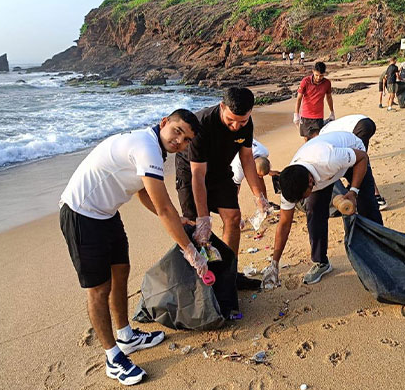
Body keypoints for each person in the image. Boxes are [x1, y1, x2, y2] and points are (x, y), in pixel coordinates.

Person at [59, 109, 204, 385]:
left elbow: (142, 191)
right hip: (81, 215)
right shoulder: (146, 148)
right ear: (164, 123)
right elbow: (163, 209)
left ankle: (125, 336)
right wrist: (191, 253)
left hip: (106, 214)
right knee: (99, 289)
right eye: (177, 131)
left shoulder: (153, 148)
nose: (179, 142)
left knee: (121, 272)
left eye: (186, 140)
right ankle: (112, 357)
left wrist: (178, 218)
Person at [175, 88, 270, 290]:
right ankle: (201, 280)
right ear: (222, 107)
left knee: (234, 218)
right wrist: (203, 219)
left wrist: (258, 196)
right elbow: (198, 176)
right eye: (230, 121)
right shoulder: (202, 124)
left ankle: (229, 273)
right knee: (194, 226)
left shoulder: (246, 124)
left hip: (220, 170)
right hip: (191, 171)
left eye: (242, 122)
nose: (236, 126)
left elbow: (246, 159)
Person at [262, 131, 384, 288]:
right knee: (313, 211)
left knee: (367, 205)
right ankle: (321, 262)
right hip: (321, 170)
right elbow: (284, 224)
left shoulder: (329, 159)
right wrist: (275, 263)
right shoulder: (290, 183)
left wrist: (353, 191)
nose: (300, 202)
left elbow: (362, 157)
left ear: (311, 182)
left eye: (301, 198)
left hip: (353, 155)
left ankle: (381, 248)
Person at [320, 114, 388, 209]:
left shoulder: (322, 136)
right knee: (360, 162)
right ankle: (364, 192)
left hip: (359, 127)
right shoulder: (331, 127)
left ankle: (377, 198)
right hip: (367, 122)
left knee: (360, 165)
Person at [294, 61, 334, 141]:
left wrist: (332, 112)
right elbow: (299, 98)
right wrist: (296, 114)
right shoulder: (305, 81)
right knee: (306, 139)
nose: (318, 78)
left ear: (324, 73)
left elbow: (329, 97)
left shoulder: (327, 83)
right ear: (313, 71)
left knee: (317, 139)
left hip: (318, 116)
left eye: (321, 76)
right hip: (305, 116)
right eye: (316, 75)